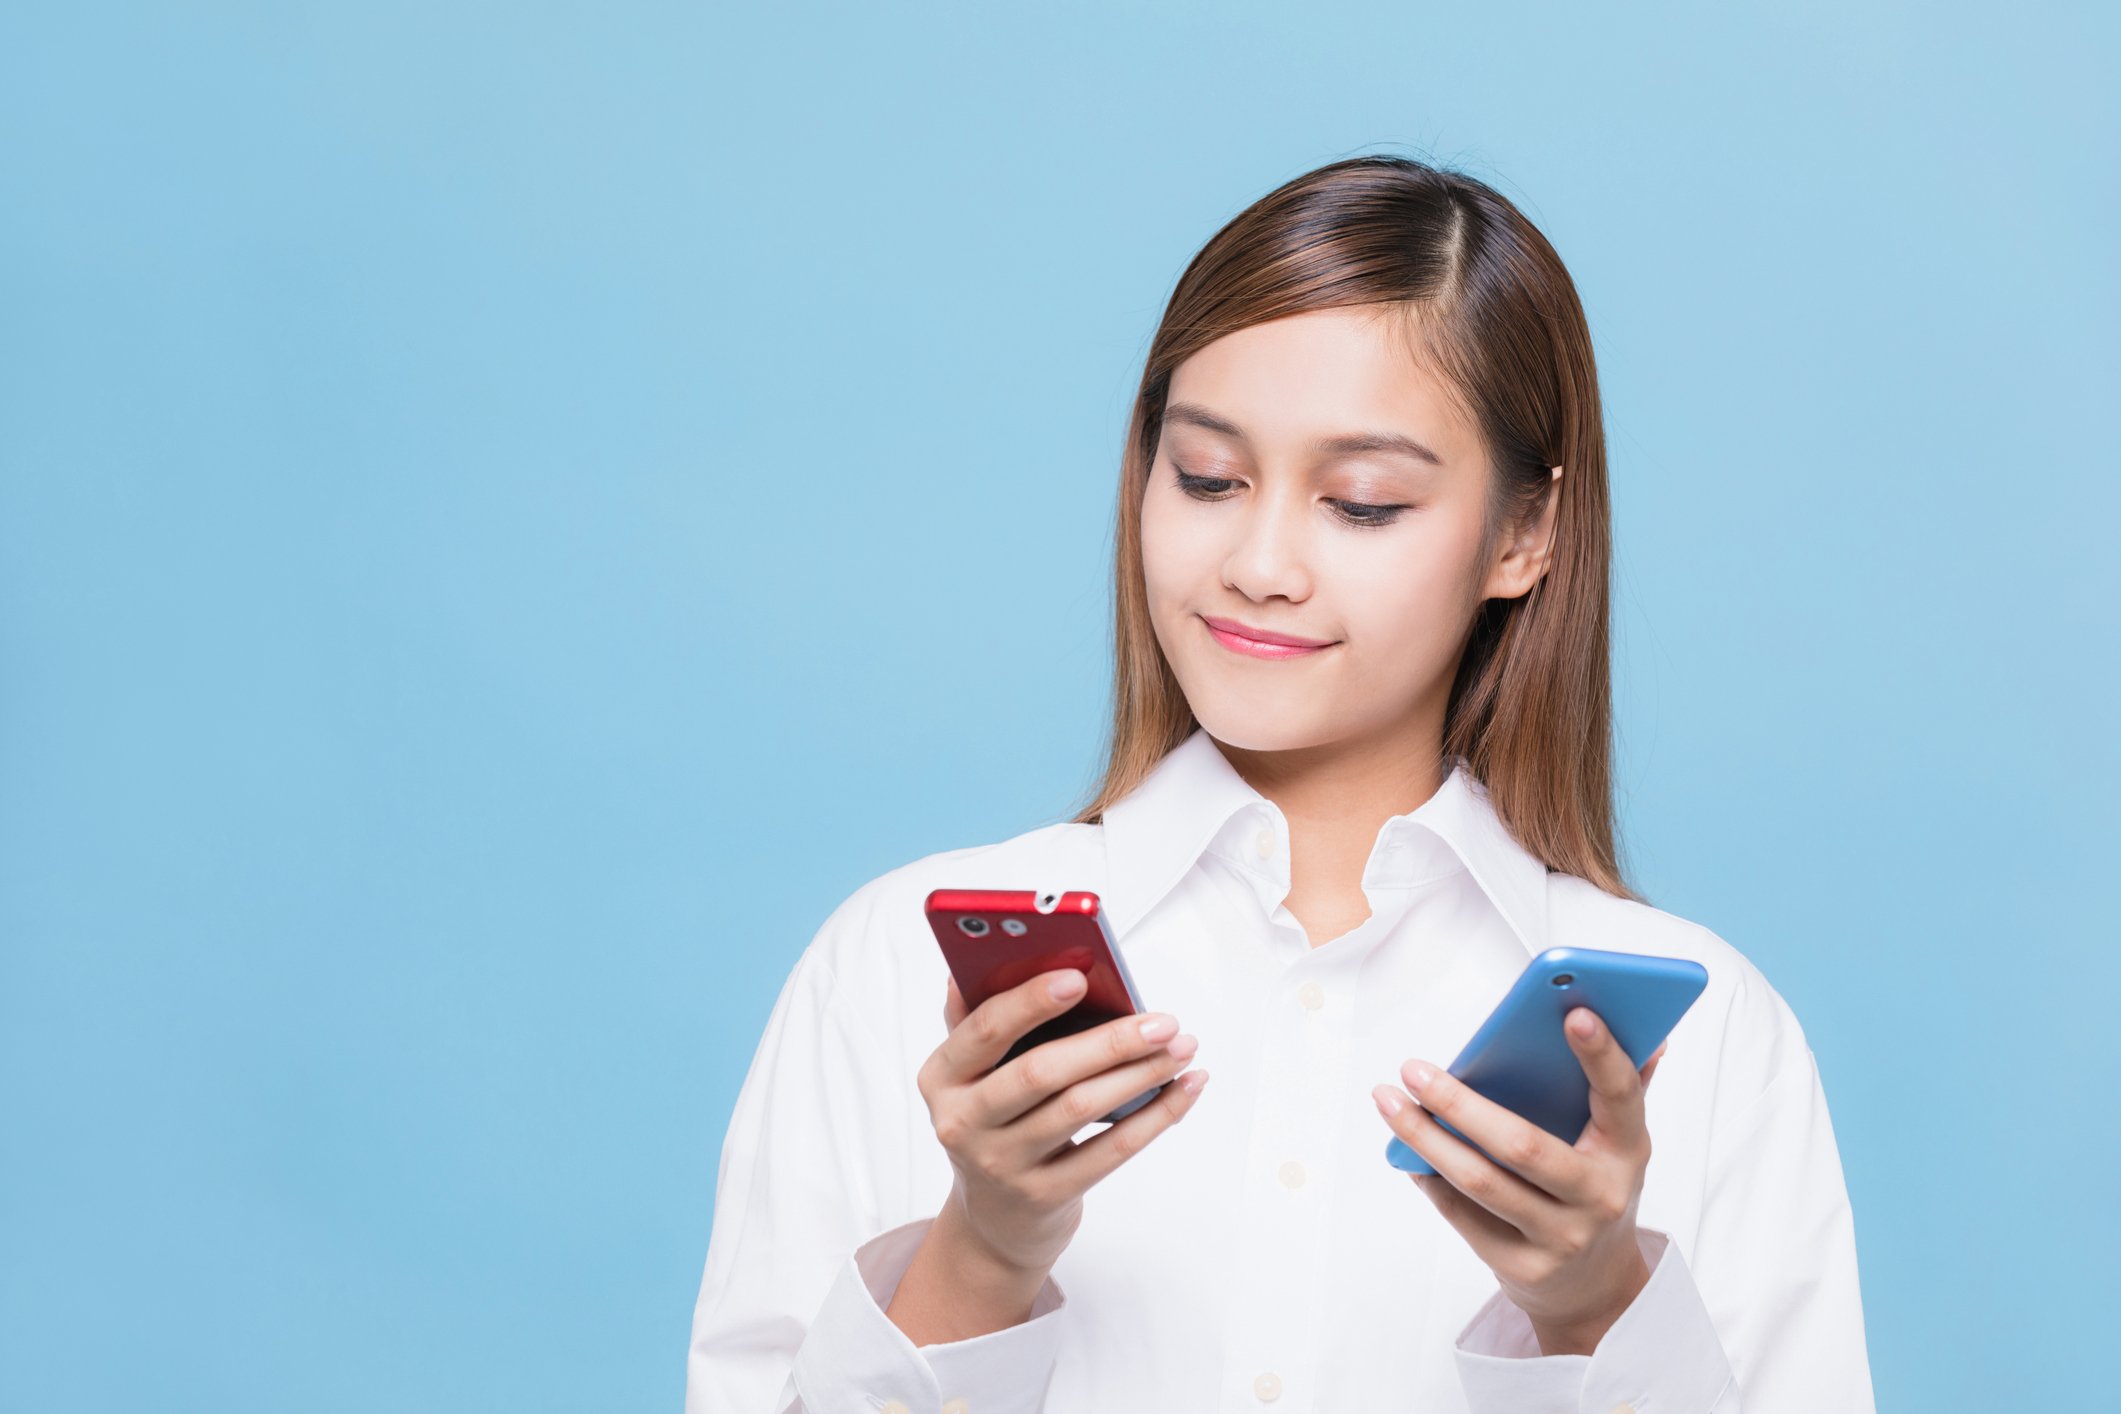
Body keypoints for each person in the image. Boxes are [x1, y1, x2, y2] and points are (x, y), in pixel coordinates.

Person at [684, 154, 1875, 1414]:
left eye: (1361, 503)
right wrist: (981, 1252)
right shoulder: (887, 973)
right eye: (1207, 477)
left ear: (1523, 536)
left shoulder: (1713, 1045)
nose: (1258, 562)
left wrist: (1592, 1312)